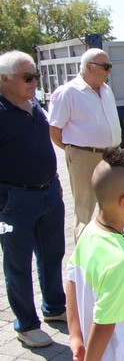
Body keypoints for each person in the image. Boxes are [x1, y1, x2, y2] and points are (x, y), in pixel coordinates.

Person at [0, 51, 66, 348]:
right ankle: (26, 325)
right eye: (28, 77)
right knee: (18, 264)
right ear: (5, 79)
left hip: (49, 193)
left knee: (52, 255)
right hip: (14, 202)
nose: (34, 82)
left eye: (35, 76)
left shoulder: (33, 103)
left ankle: (54, 307)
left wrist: (54, 180)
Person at [66, 147, 124, 361]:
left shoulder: (88, 233)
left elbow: (72, 281)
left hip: (92, 348)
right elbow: (104, 323)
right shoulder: (119, 260)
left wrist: (75, 336)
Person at [49, 48, 122, 241]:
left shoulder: (106, 90)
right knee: (85, 208)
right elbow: (54, 131)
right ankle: (83, 257)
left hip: (111, 155)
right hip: (84, 156)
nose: (110, 72)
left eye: (110, 67)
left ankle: (108, 248)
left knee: (110, 205)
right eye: (106, 67)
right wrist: (76, 152)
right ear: (89, 67)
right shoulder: (68, 92)